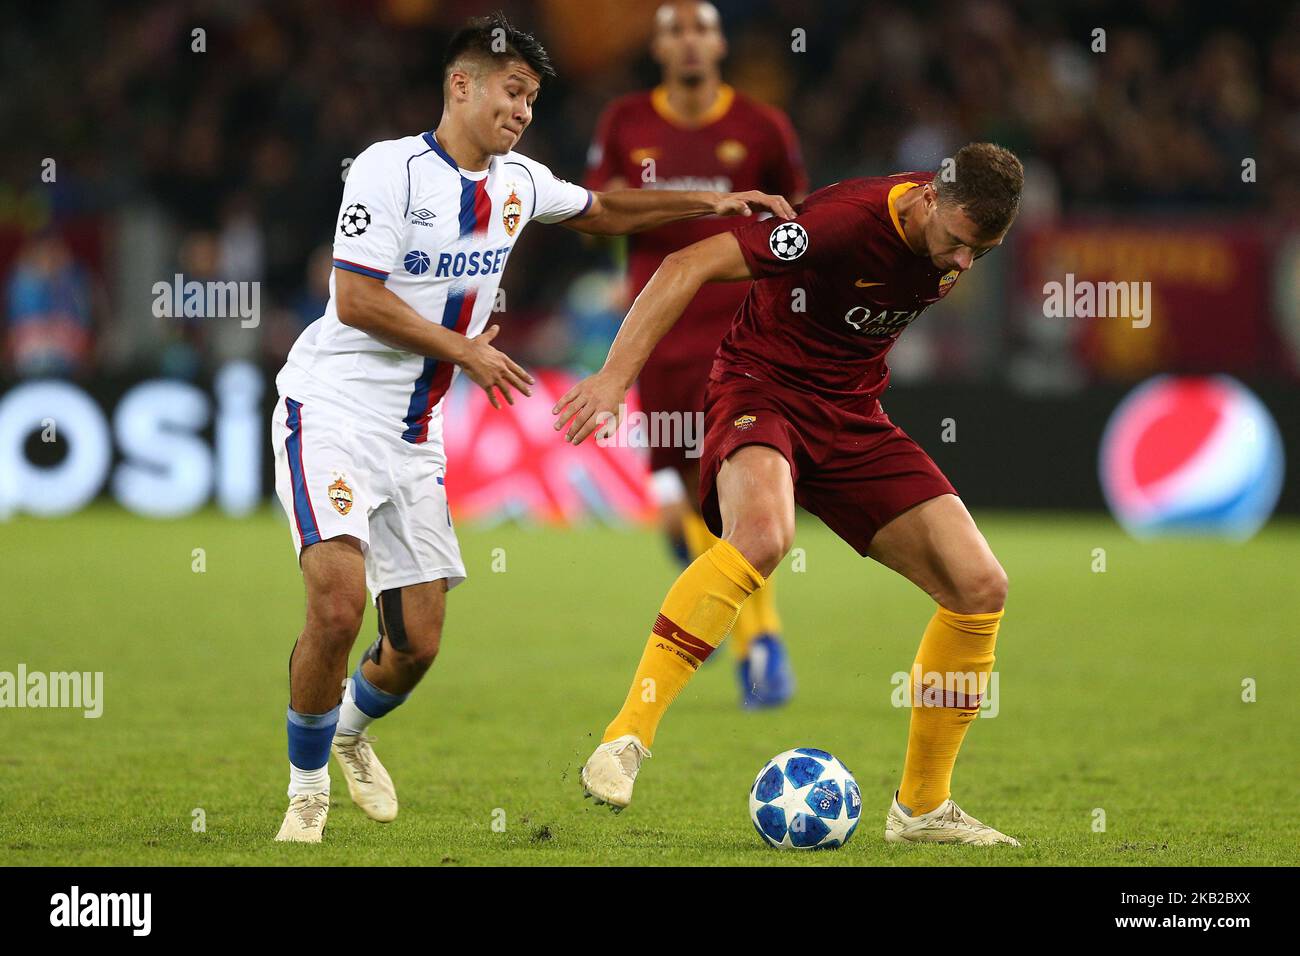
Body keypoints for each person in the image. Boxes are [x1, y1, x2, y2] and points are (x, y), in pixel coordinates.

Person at [269, 13, 794, 843]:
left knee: (417, 646)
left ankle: (347, 732)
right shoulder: (386, 171)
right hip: (331, 410)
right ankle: (305, 792)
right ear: (460, 85)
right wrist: (465, 353)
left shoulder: (518, 182)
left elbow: (605, 210)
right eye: (512, 92)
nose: (523, 111)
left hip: (416, 433)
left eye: (533, 99)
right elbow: (355, 299)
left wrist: (711, 199)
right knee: (337, 609)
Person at [556, 143, 1026, 845]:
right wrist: (614, 378)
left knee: (980, 585)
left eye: (981, 254)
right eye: (959, 243)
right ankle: (625, 740)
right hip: (761, 391)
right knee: (765, 536)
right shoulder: (839, 224)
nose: (962, 263)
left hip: (853, 415)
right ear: (929, 197)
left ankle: (923, 810)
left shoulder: (950, 237)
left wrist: (961, 250)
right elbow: (687, 265)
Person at [586, 0, 807, 707]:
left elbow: (795, 225)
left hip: (744, 340)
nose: (688, 42)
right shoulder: (626, 123)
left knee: (738, 499)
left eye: (701, 29)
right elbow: (596, 218)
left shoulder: (761, 126)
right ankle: (706, 591)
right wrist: (682, 206)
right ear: (657, 48)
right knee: (682, 498)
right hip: (660, 340)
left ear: (719, 45)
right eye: (674, 30)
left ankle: (761, 646)